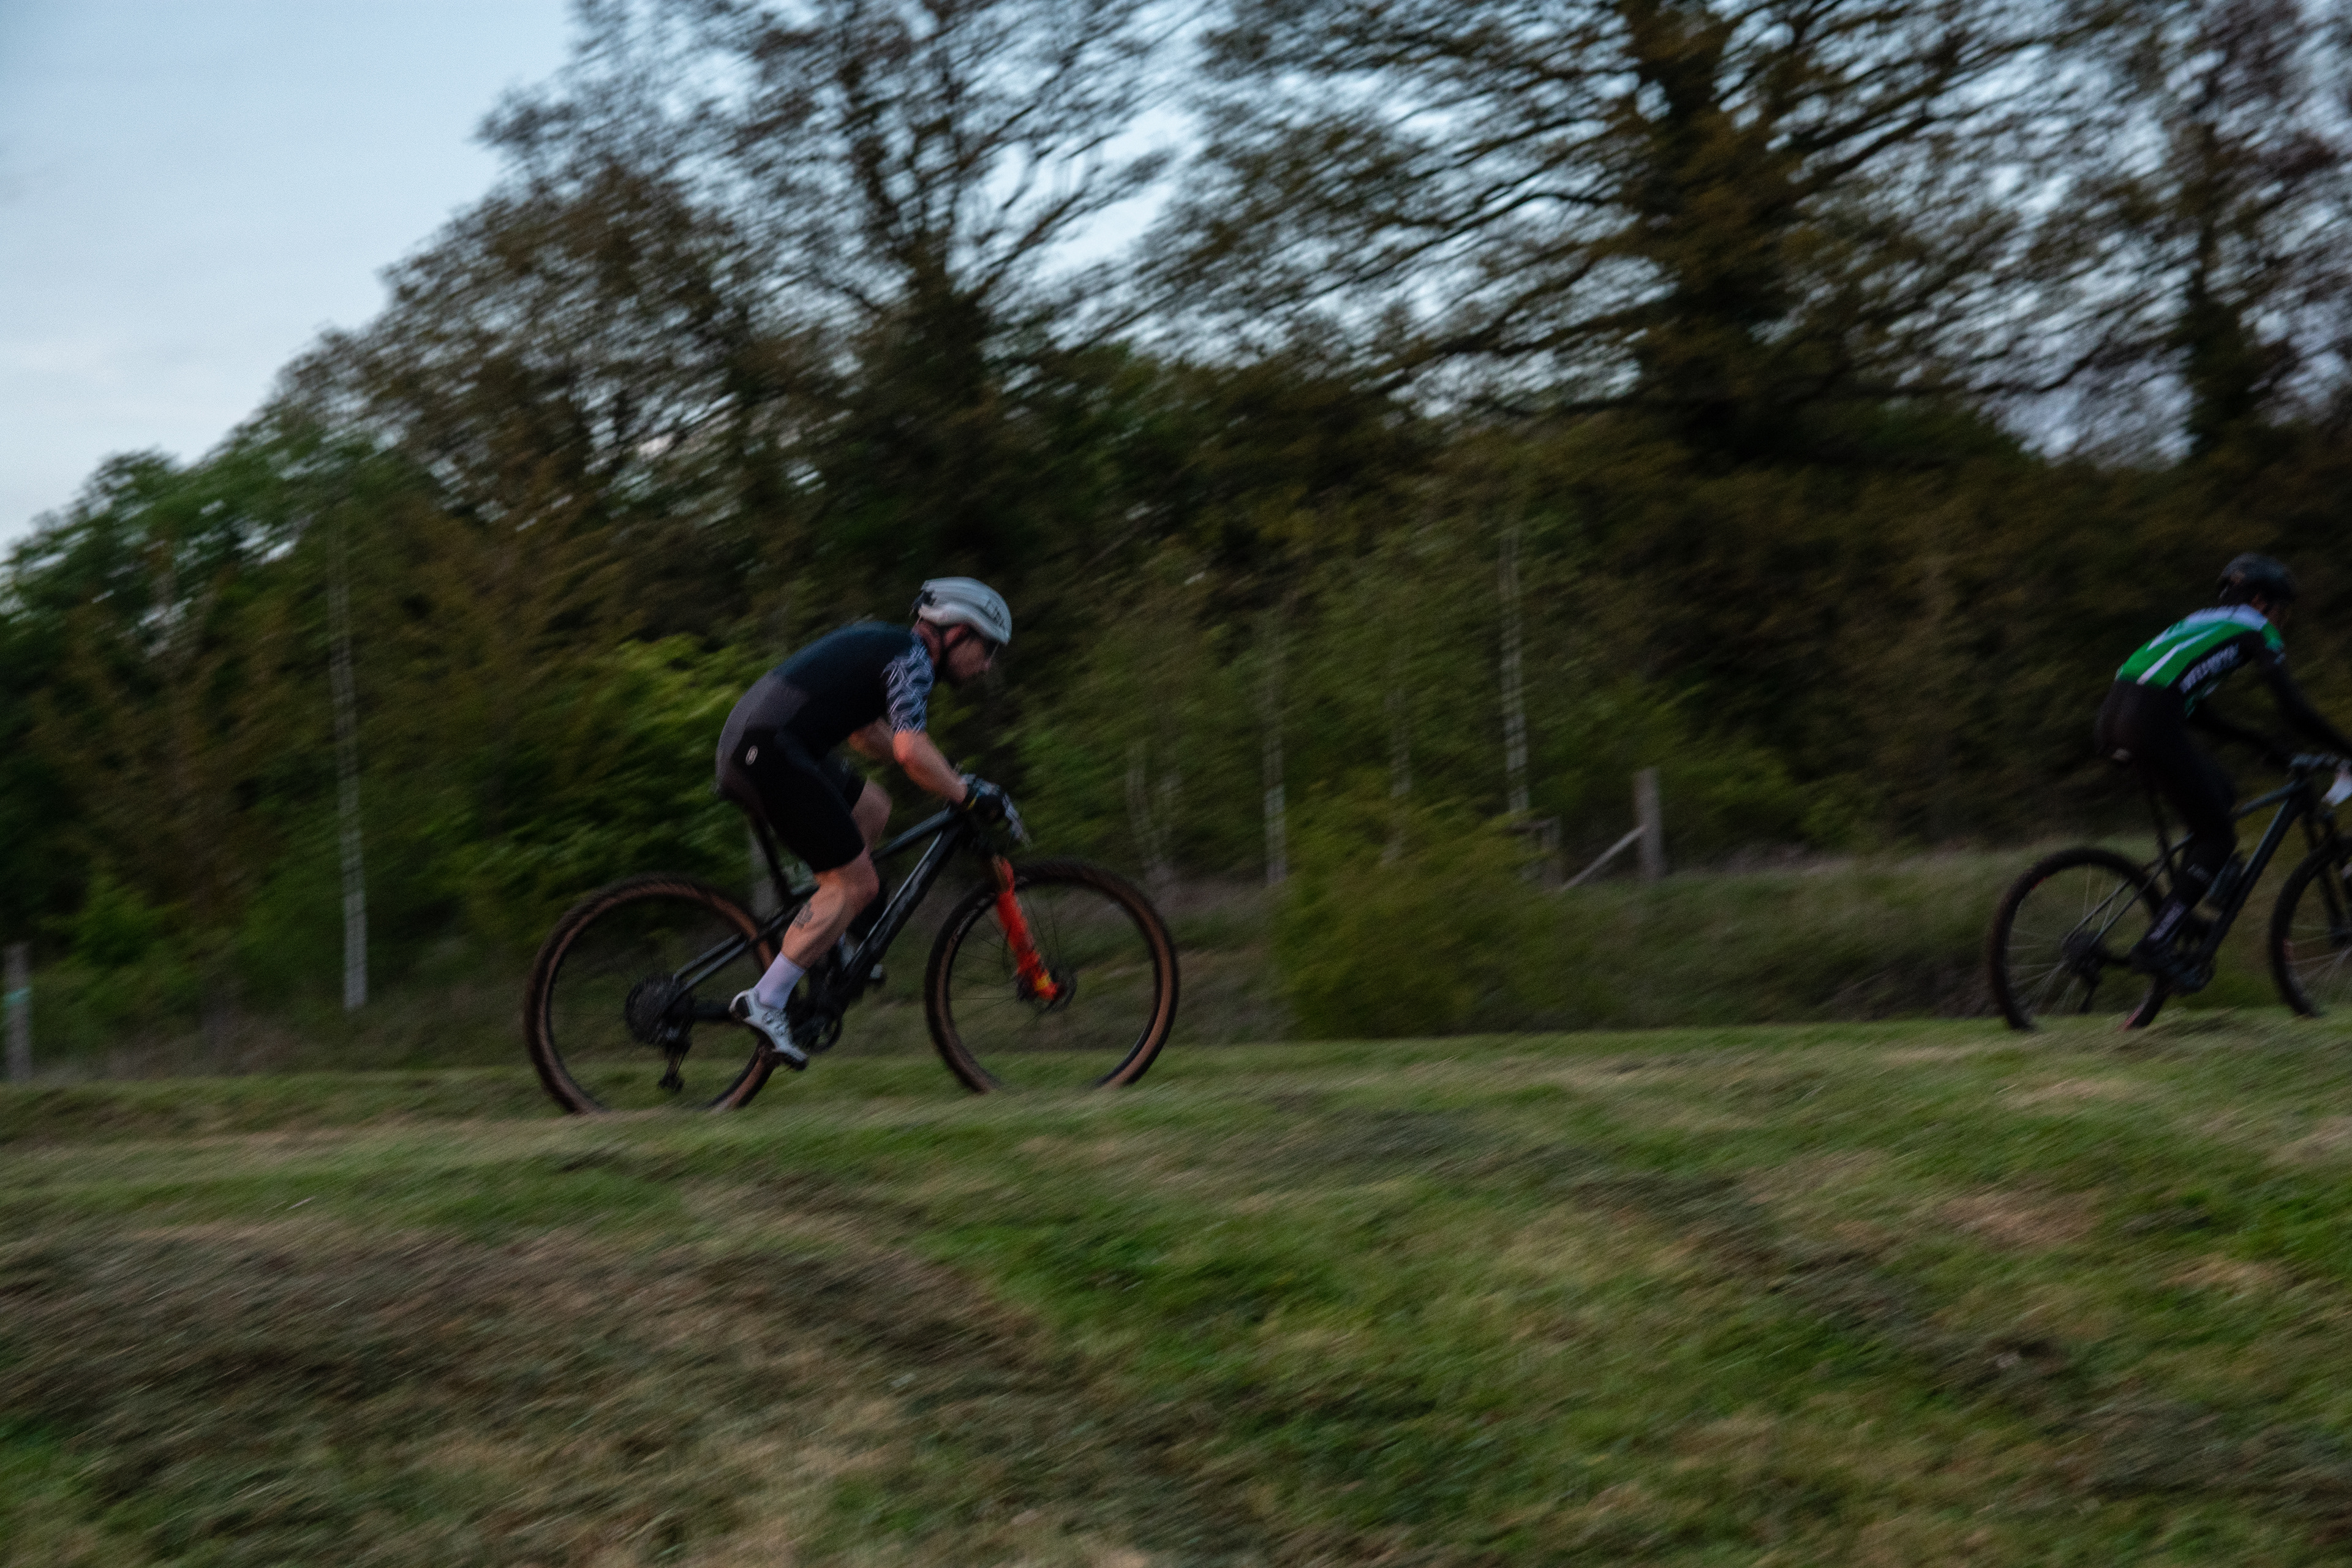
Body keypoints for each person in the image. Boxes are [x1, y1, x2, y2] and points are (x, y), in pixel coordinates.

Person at [714, 577, 1016, 1066]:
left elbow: (867, 736)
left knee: (872, 808)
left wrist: (949, 776)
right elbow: (909, 749)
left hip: (771, 744)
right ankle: (766, 999)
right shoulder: (912, 658)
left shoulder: (894, 649)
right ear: (958, 632)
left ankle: (829, 940)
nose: (987, 666)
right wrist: (965, 794)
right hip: (765, 752)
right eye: (988, 649)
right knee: (859, 884)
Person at [2097, 552, 2352, 984]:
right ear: (2260, 601)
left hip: (2111, 721)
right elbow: (2295, 710)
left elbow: (2195, 709)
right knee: (2218, 837)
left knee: (2220, 791)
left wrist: (2260, 744)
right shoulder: (2255, 629)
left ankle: (2179, 914)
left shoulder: (2200, 622)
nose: (2281, 622)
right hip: (2150, 720)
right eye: (2281, 611)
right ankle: (2155, 942)